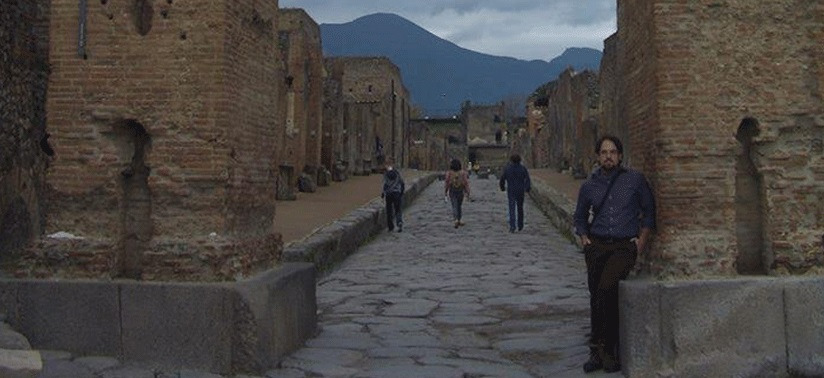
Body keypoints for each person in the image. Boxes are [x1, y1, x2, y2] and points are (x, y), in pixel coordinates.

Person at [573, 135, 656, 373]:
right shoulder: (589, 185)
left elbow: (649, 211)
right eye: (604, 152)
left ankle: (609, 350)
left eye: (612, 152)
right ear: (598, 156)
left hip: (623, 247)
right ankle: (596, 353)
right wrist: (584, 239)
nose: (608, 156)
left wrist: (640, 243)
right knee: (595, 297)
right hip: (597, 246)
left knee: (606, 289)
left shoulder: (635, 181)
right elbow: (580, 216)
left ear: (620, 155)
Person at [499, 154, 531, 233]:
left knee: (512, 208)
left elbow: (502, 179)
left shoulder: (508, 169)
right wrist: (527, 188)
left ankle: (512, 226)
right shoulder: (523, 169)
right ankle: (520, 225)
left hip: (511, 190)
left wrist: (502, 187)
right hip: (520, 190)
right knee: (520, 208)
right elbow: (527, 179)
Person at [444, 158, 470, 228]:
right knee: (459, 206)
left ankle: (456, 219)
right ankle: (459, 219)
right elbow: (466, 183)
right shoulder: (463, 173)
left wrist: (446, 191)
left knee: (454, 206)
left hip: (452, 191)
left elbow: (447, 183)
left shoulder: (449, 173)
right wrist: (467, 192)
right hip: (460, 191)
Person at [381, 159, 405, 232]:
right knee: (398, 209)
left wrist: (383, 193)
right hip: (396, 193)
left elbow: (384, 184)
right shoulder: (397, 173)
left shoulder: (385, 174)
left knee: (389, 210)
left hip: (389, 194)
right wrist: (401, 192)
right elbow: (402, 183)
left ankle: (390, 226)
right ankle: (399, 222)